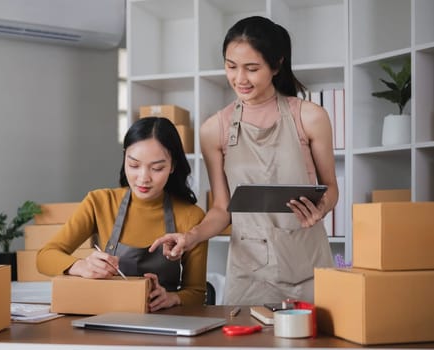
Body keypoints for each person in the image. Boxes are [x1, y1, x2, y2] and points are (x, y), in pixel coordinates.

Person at [150, 16, 337, 305]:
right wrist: (192, 237)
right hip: (249, 274)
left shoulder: (310, 116)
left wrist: (320, 208)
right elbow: (222, 209)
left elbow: (331, 189)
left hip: (307, 266)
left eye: (252, 69)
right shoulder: (215, 129)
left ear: (276, 66)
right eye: (231, 66)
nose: (239, 79)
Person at [37, 117, 208, 312]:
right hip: (105, 317)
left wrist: (172, 297)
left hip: (163, 324)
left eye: (157, 168)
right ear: (124, 157)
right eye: (134, 165)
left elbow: (196, 292)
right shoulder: (99, 202)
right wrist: (81, 266)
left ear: (173, 166)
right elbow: (44, 257)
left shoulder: (191, 217)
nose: (143, 178)